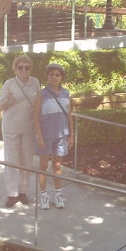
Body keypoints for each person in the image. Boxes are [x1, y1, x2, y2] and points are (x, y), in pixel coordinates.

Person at [0, 54, 40, 208]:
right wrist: (8, 99)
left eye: (26, 67)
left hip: (28, 128)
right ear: (15, 68)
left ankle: (23, 191)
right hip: (10, 127)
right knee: (12, 160)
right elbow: (0, 107)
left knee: (26, 160)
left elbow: (38, 103)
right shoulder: (9, 84)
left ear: (30, 69)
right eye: (20, 67)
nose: (23, 70)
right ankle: (12, 193)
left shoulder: (35, 82)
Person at [33, 63, 73, 209]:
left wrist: (71, 135)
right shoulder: (41, 95)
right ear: (47, 76)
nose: (54, 77)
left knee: (57, 165)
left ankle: (58, 194)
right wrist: (40, 137)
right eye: (51, 74)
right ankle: (43, 195)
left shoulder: (66, 94)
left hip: (61, 135)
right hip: (46, 136)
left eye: (57, 74)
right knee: (43, 165)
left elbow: (69, 115)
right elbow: (36, 117)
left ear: (61, 77)